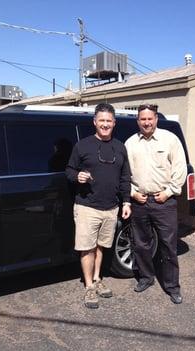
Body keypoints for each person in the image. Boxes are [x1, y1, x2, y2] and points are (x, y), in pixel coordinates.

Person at [66, 103, 131, 309]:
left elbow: (124, 177)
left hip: (111, 207)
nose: (105, 124)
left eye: (108, 121)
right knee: (87, 248)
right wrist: (78, 176)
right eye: (101, 120)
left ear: (114, 123)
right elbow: (69, 170)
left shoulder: (120, 147)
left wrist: (127, 201)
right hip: (87, 206)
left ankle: (96, 279)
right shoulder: (82, 146)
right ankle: (88, 287)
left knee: (101, 246)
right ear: (95, 122)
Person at [125, 104, 187, 304]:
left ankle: (172, 287)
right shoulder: (130, 143)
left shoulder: (170, 140)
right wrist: (133, 193)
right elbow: (124, 174)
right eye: (142, 119)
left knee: (168, 246)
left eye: (150, 118)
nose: (146, 122)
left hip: (164, 202)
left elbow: (180, 170)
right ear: (138, 121)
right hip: (139, 202)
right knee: (141, 244)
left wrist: (168, 192)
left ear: (156, 119)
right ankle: (146, 278)